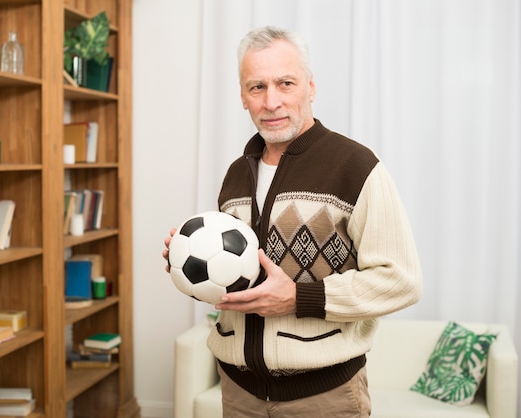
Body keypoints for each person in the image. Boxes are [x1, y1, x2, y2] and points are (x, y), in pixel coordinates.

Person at [163, 25, 422, 417]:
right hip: (238, 394)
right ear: (242, 98)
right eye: (257, 87)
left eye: (286, 83)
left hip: (324, 398)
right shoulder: (236, 174)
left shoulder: (355, 167)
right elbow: (241, 279)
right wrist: (190, 264)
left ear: (311, 87)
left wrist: (300, 298)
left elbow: (400, 280)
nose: (271, 101)